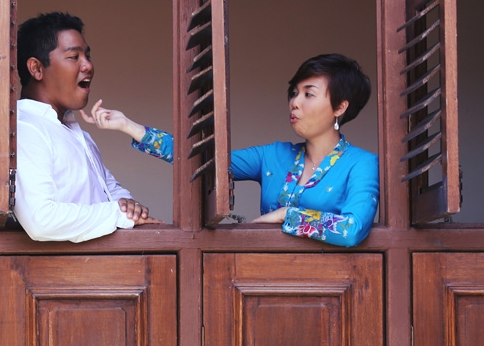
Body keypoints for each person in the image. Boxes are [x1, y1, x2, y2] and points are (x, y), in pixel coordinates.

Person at [83, 53, 379, 247]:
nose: (295, 102)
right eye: (293, 92)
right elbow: (199, 161)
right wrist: (128, 126)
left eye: (308, 94)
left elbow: (352, 229)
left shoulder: (362, 164)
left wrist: (285, 214)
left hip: (336, 287)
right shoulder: (274, 155)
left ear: (340, 106)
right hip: (262, 278)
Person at [13, 12, 161, 242]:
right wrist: (118, 215)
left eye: (88, 56)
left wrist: (128, 206)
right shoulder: (27, 130)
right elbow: (40, 220)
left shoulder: (75, 133)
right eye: (74, 56)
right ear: (37, 68)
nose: (88, 66)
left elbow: (109, 190)